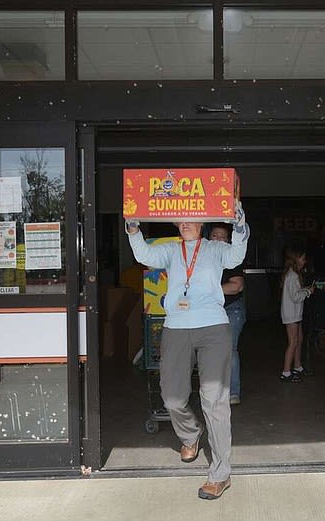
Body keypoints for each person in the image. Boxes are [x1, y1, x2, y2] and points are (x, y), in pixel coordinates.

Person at [125, 204, 249, 500]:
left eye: (190, 217)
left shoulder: (215, 248)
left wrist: (240, 222)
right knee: (171, 395)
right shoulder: (170, 250)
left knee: (214, 399)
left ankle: (220, 474)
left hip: (213, 328)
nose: (185, 223)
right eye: (179, 218)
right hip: (177, 327)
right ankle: (190, 434)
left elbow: (237, 255)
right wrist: (133, 229)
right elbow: (144, 255)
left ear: (202, 220)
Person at [209, 224, 246, 406]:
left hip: (232, 309)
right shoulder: (203, 260)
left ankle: (233, 392)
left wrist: (209, 290)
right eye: (214, 236)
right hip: (211, 310)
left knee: (229, 350)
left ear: (229, 241)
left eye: (222, 236)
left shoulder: (232, 259)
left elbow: (237, 286)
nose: (217, 239)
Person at [280, 244, 312, 382]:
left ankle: (297, 366)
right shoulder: (292, 276)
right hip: (291, 314)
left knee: (298, 340)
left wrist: (304, 290)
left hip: (295, 314)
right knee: (293, 341)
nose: (304, 261)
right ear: (296, 259)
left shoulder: (292, 275)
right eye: (303, 258)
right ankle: (286, 371)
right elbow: (295, 296)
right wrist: (308, 291)